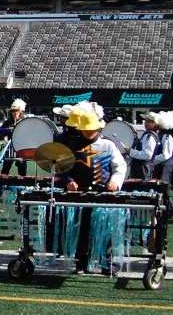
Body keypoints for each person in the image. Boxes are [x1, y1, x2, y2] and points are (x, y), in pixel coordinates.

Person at [54, 102, 128, 273]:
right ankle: (81, 261)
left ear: (97, 128)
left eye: (90, 129)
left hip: (103, 193)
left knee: (104, 228)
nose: (87, 132)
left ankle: (105, 262)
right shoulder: (72, 146)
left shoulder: (108, 145)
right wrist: (68, 181)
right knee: (81, 227)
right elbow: (61, 168)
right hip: (80, 194)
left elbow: (120, 166)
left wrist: (115, 182)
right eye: (85, 129)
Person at [0, 100, 29, 175]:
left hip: (21, 148)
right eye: (13, 111)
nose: (14, 113)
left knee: (22, 170)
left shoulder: (24, 121)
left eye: (16, 111)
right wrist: (4, 137)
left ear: (20, 111)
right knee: (5, 170)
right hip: (10, 148)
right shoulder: (8, 122)